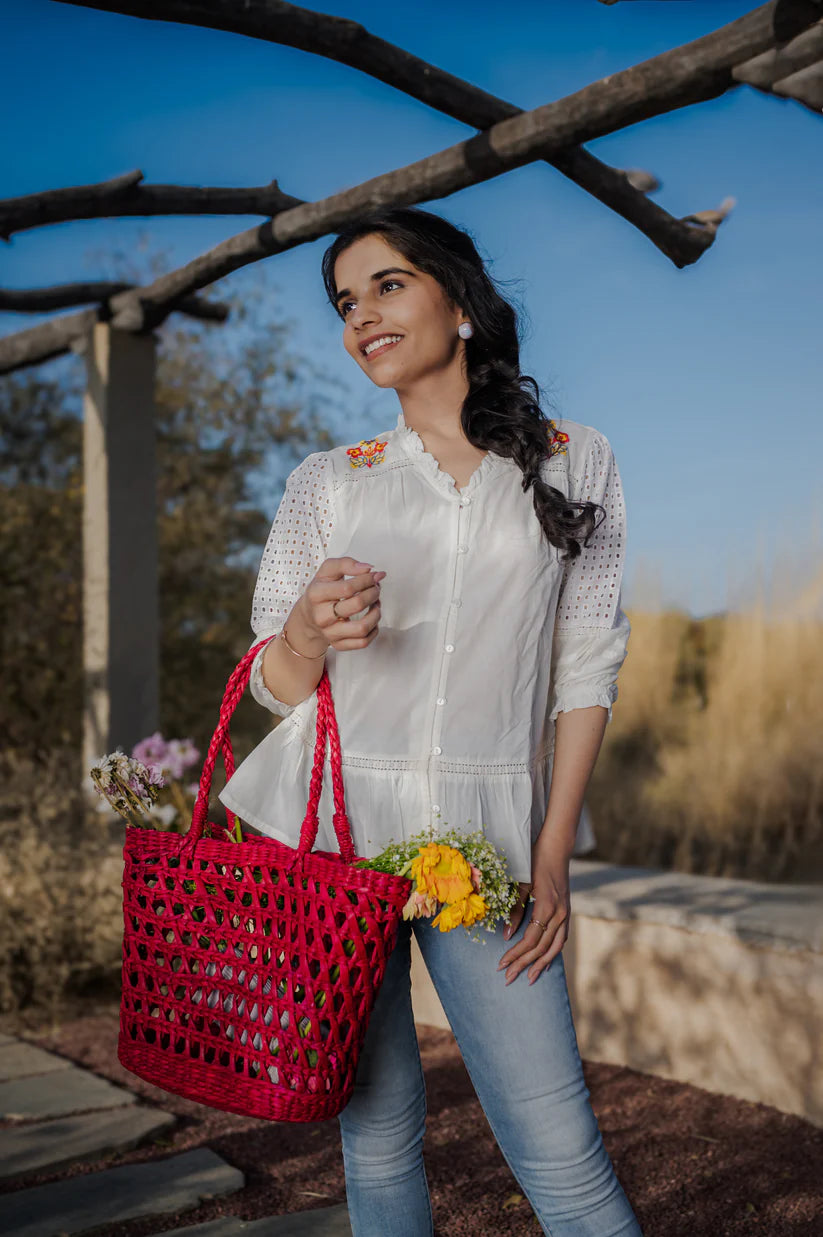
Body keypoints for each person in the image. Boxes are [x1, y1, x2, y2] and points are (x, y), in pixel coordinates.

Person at [219, 207, 642, 1236]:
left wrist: (552, 855)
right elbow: (269, 687)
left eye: (387, 285)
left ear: (458, 301)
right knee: (375, 1133)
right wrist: (311, 636)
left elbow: (584, 665)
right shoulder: (329, 482)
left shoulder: (570, 457)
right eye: (344, 302)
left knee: (560, 1150)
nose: (362, 314)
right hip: (333, 846)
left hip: (490, 847)